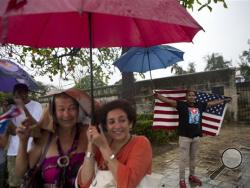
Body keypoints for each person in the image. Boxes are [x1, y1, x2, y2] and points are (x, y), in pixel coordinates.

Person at [154, 89, 231, 188]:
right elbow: (168, 101)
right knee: (183, 160)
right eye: (189, 95)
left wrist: (223, 100)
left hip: (196, 137)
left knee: (193, 159)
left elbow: (212, 103)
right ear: (186, 97)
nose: (191, 97)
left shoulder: (200, 105)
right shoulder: (181, 105)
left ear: (195, 97)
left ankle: (192, 176)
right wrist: (157, 96)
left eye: (193, 95)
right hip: (184, 137)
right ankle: (182, 180)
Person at [16, 88, 92, 188]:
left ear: (78, 110)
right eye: (61, 109)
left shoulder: (88, 133)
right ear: (53, 112)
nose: (67, 114)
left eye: (72, 108)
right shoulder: (45, 137)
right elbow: (21, 172)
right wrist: (23, 141)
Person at [77, 99, 152, 188]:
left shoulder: (141, 143)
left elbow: (128, 183)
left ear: (130, 123)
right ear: (106, 126)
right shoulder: (104, 143)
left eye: (122, 120)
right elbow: (84, 182)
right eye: (111, 122)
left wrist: (104, 147)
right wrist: (90, 144)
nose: (117, 126)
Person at [4, 84, 43, 188]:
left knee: (32, 182)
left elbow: (36, 129)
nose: (19, 98)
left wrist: (23, 108)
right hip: (13, 152)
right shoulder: (12, 109)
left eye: (22, 95)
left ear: (27, 94)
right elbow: (13, 132)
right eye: (16, 96)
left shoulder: (36, 105)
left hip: (31, 151)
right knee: (15, 184)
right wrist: (6, 114)